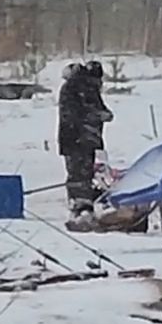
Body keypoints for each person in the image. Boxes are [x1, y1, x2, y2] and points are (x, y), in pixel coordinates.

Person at [57, 61, 112, 215]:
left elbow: (96, 108)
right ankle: (80, 205)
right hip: (77, 139)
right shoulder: (79, 88)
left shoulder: (85, 88)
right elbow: (77, 113)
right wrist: (99, 116)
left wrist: (104, 114)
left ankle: (83, 202)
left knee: (83, 172)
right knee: (78, 173)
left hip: (81, 139)